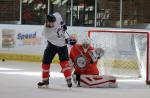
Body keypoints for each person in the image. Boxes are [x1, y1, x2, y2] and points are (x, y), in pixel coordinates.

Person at [37, 12, 76, 88]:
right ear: (47, 22)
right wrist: (67, 41)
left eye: (52, 22)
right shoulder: (46, 32)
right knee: (45, 61)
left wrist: (63, 25)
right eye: (50, 23)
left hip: (62, 44)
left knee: (64, 61)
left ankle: (68, 79)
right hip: (52, 45)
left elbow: (61, 20)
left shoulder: (57, 16)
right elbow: (58, 42)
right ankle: (45, 80)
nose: (51, 24)